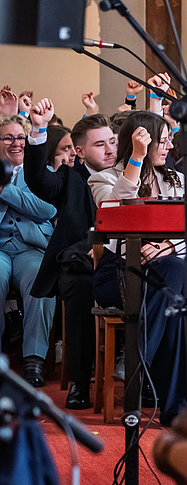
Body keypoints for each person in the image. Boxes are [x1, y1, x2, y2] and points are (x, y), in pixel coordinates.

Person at [87, 112, 187, 424]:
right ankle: (175, 411)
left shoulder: (176, 180)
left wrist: (166, 247)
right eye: (164, 140)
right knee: (174, 301)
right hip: (118, 272)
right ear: (139, 142)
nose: (170, 146)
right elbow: (116, 207)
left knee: (172, 277)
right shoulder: (103, 178)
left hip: (164, 271)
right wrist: (136, 159)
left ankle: (134, 359)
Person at [22, 107, 116, 408]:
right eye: (100, 144)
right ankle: (79, 381)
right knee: (79, 285)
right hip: (81, 263)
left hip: (123, 260)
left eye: (112, 141)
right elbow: (38, 181)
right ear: (79, 150)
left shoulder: (130, 172)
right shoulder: (70, 178)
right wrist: (38, 131)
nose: (110, 149)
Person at [0, 114, 56, 387]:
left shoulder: (40, 170)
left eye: (20, 137)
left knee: (40, 279)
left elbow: (48, 209)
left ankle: (34, 358)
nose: (15, 143)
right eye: (8, 137)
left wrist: (4, 190)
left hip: (30, 247)